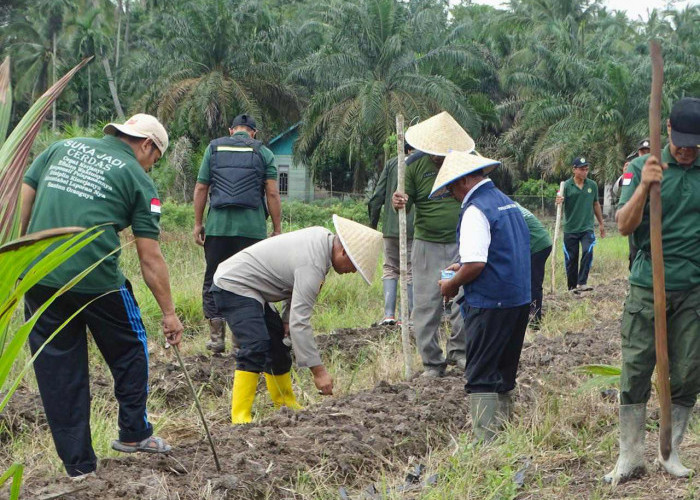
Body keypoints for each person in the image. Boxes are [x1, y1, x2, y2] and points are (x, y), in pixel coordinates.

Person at [20, 114, 184, 478]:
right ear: (147, 145)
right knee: (131, 347)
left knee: (59, 370)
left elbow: (24, 199)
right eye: (155, 159)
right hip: (95, 279)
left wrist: (19, 261)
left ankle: (79, 468)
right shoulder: (139, 180)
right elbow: (149, 257)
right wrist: (170, 314)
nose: (151, 166)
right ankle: (134, 432)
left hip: (38, 275)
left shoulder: (59, 149)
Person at [605, 97, 700, 484]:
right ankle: (629, 458)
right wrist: (645, 186)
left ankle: (670, 450)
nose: (687, 150)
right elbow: (624, 226)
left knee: (689, 370)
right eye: (681, 143)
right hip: (648, 286)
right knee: (636, 369)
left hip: (692, 288)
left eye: (694, 144)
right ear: (667, 134)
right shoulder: (641, 168)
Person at [212, 215, 383, 424]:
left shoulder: (322, 241)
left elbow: (293, 288)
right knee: (256, 345)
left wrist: (285, 318)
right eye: (354, 265)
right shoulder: (313, 262)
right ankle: (240, 418)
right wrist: (319, 372)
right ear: (344, 252)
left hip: (255, 290)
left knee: (278, 347)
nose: (352, 271)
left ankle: (285, 404)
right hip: (233, 285)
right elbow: (300, 322)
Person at [433, 150, 531, 442]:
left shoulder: (475, 209)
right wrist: (463, 265)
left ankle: (486, 442)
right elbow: (499, 251)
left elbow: (477, 263)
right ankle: (504, 436)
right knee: (504, 371)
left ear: (463, 182)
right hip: (517, 299)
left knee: (481, 374)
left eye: (451, 189)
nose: (452, 196)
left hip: (490, 302)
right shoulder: (506, 203)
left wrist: (452, 285)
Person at [193, 114, 282, 354]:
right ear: (253, 133)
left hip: (217, 229)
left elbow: (202, 187)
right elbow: (272, 194)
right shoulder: (264, 152)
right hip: (251, 231)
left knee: (213, 279)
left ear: (232, 130)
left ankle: (216, 339)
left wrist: (198, 223)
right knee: (248, 282)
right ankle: (240, 341)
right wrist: (276, 229)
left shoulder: (213, 148)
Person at [392, 112, 472, 377]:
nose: (439, 157)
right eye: (435, 152)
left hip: (462, 242)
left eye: (444, 152)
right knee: (426, 304)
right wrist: (399, 203)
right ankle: (432, 363)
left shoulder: (464, 164)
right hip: (427, 244)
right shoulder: (413, 167)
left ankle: (459, 353)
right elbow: (404, 203)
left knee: (463, 301)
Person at [368, 149, 415, 325]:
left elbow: (377, 197)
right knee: (410, 271)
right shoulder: (424, 163)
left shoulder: (392, 163)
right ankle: (406, 318)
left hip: (390, 228)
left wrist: (373, 225)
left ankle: (389, 315)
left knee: (390, 268)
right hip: (414, 229)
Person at [555, 156, 605, 292]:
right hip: (570, 228)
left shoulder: (592, 185)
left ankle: (582, 282)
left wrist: (601, 223)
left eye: (587, 169)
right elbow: (559, 201)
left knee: (588, 251)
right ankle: (572, 287)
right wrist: (559, 200)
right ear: (574, 170)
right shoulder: (566, 186)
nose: (585, 172)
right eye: (582, 169)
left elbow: (596, 204)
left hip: (586, 227)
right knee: (571, 258)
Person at [613, 139, 650, 270]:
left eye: (648, 151)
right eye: (642, 151)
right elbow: (617, 192)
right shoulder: (632, 169)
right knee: (635, 254)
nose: (645, 154)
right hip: (634, 220)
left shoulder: (663, 166)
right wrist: (625, 176)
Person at [516, 203, 552, 326]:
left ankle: (534, 320)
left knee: (533, 283)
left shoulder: (505, 209)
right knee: (527, 281)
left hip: (537, 245)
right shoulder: (510, 205)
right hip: (541, 242)